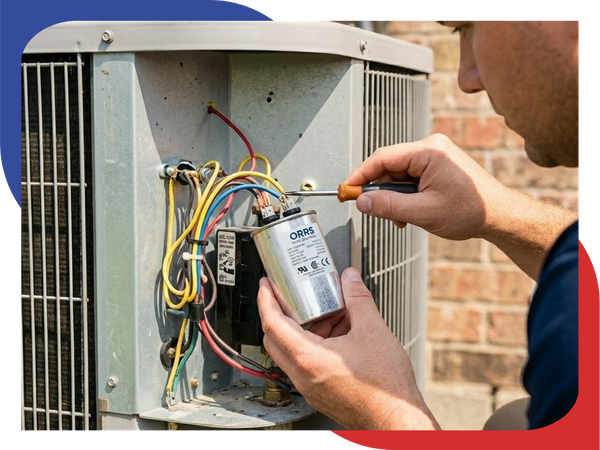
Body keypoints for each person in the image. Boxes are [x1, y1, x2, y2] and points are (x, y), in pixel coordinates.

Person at [256, 19, 580, 430]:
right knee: (511, 422)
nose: (467, 78)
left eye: (466, 27)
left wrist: (385, 413)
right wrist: (496, 212)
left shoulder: (573, 314)